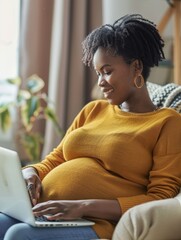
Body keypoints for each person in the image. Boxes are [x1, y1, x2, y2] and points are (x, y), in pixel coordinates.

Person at [1, 13, 181, 240]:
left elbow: (160, 199)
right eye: (98, 73)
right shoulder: (93, 110)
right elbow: (55, 160)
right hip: (45, 213)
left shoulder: (167, 122)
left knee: (18, 235)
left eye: (107, 71)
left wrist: (82, 206)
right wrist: (30, 173)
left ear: (136, 67)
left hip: (95, 223)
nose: (100, 82)